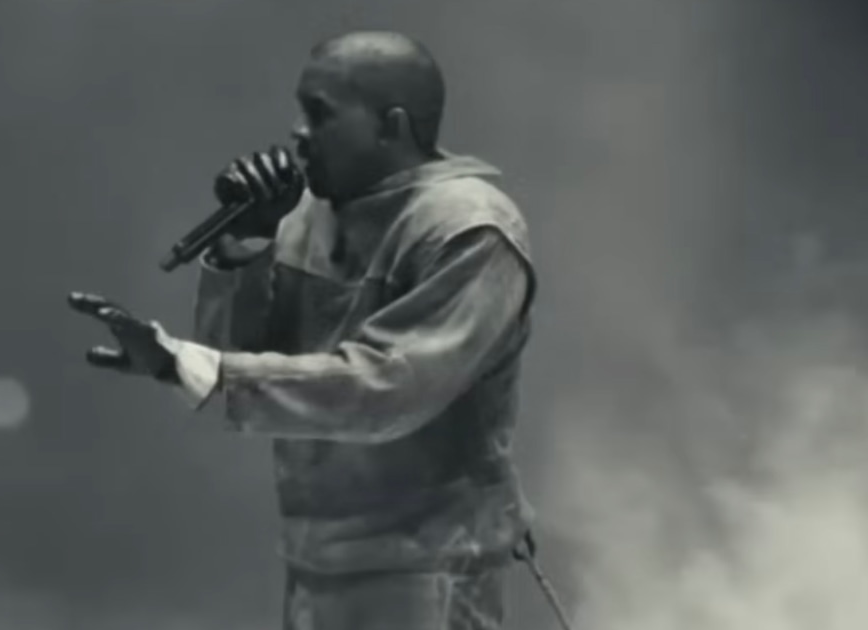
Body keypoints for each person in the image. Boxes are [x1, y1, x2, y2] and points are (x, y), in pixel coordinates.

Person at [69, 30, 539, 630]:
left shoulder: (468, 230)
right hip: (319, 560)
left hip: (432, 570)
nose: (298, 132)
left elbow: (388, 390)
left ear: (391, 126)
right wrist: (245, 250)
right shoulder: (305, 214)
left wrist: (188, 366)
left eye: (320, 114)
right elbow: (240, 367)